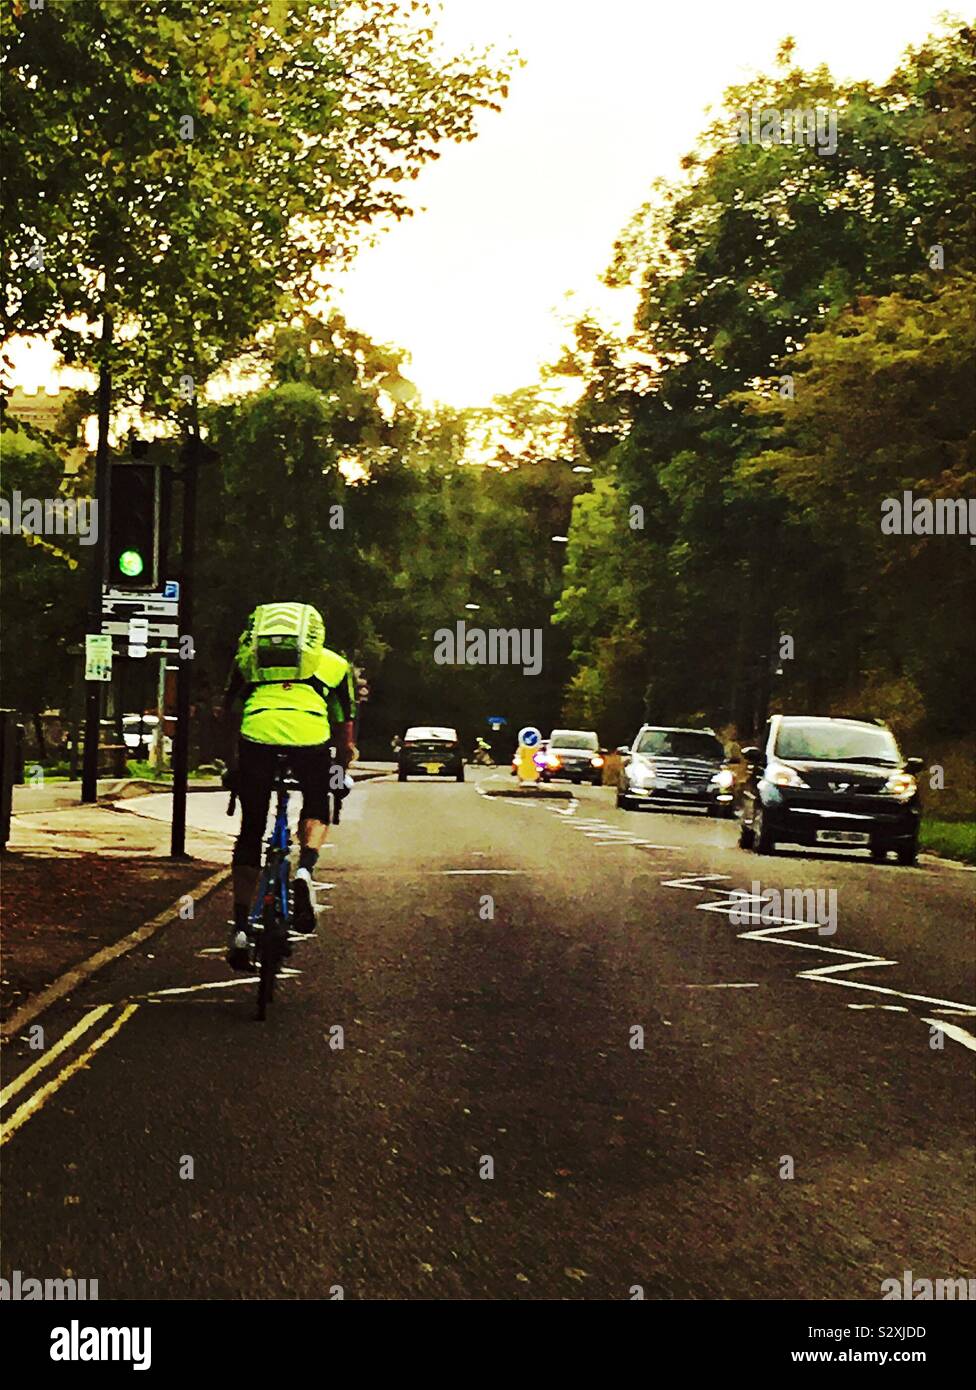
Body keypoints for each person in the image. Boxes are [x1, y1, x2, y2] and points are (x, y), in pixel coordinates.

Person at [220, 602, 356, 969]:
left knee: (251, 828)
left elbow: (231, 711)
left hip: (257, 737)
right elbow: (343, 726)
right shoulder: (336, 665)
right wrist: (341, 766)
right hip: (311, 739)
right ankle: (304, 870)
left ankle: (241, 927)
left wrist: (234, 764)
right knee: (316, 807)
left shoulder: (248, 658)